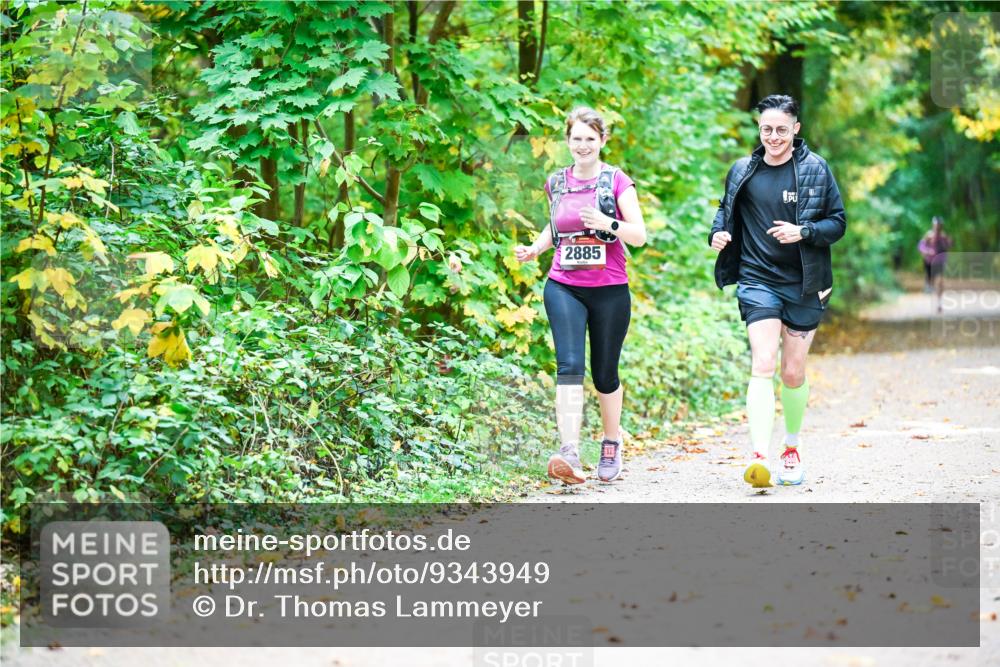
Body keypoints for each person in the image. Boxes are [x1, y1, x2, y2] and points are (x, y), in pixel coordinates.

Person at [708, 94, 846, 488]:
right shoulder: (742, 171)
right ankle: (758, 457)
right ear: (759, 129)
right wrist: (717, 233)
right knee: (763, 362)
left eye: (781, 130)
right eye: (767, 129)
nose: (773, 137)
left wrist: (804, 231)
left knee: (792, 372)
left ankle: (791, 447)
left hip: (804, 283)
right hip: (757, 280)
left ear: (795, 129)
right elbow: (725, 212)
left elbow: (837, 223)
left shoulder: (816, 169)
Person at [514, 106, 647, 484]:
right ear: (567, 141)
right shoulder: (557, 182)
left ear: (603, 140)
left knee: (605, 373)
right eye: (577, 139)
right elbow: (555, 224)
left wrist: (608, 223)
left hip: (609, 289)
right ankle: (569, 452)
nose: (583, 145)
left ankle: (611, 442)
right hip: (563, 286)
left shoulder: (617, 181)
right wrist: (535, 249)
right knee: (569, 365)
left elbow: (639, 235)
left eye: (590, 138)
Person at [918, 216, 953, 312]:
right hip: (929, 261)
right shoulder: (929, 235)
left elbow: (948, 246)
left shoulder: (943, 236)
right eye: (936, 225)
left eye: (939, 225)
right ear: (933, 225)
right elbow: (921, 246)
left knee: (940, 281)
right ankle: (928, 285)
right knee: (931, 282)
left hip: (940, 262)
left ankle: (939, 303)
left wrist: (949, 243)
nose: (938, 227)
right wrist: (927, 251)